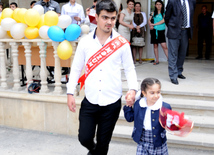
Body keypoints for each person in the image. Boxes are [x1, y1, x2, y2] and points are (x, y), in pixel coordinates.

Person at [66, 0, 138, 154]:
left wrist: (133, 89)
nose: (109, 22)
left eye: (112, 18)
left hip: (112, 102)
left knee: (103, 143)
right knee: (84, 138)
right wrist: (70, 92)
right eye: (105, 17)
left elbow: (130, 69)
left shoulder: (121, 43)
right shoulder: (85, 42)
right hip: (90, 100)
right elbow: (76, 69)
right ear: (96, 17)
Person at [123, 78, 171, 155]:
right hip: (142, 142)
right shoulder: (139, 104)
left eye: (158, 92)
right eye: (152, 93)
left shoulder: (165, 107)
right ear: (144, 93)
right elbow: (130, 118)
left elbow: (169, 124)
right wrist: (128, 106)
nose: (156, 95)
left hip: (158, 142)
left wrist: (175, 124)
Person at [165, 0, 196, 85]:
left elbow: (191, 16)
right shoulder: (172, 1)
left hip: (186, 32)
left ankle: (179, 71)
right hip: (174, 30)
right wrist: (173, 27)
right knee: (173, 54)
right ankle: (173, 75)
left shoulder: (192, 1)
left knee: (182, 53)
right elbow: (167, 17)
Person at [149, 0, 168, 65]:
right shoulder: (153, 13)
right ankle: (156, 60)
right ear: (155, 5)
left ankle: (170, 60)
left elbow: (163, 21)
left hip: (161, 31)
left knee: (164, 46)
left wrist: (154, 24)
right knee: (155, 45)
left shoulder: (164, 13)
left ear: (162, 5)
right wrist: (150, 25)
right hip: (154, 31)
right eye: (157, 4)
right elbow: (149, 20)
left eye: (160, 4)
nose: (158, 5)